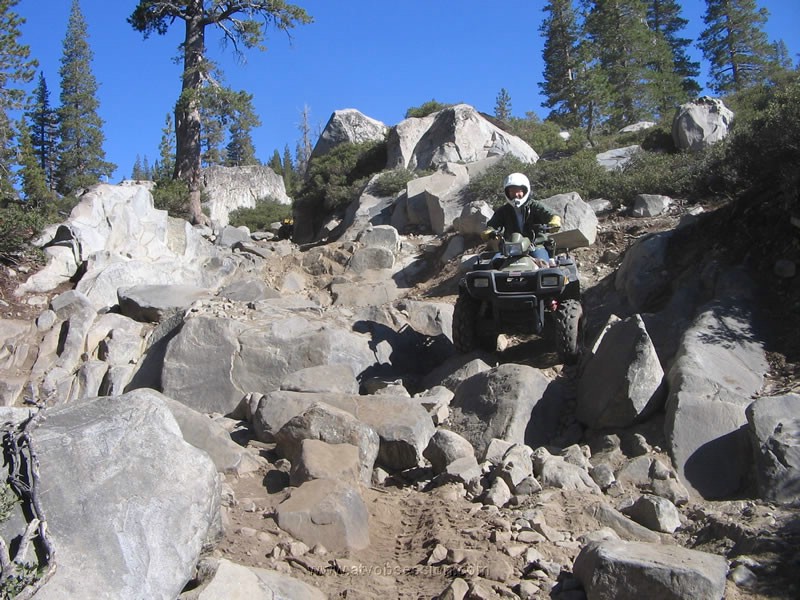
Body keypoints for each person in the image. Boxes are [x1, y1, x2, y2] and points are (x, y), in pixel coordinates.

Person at [481, 172, 561, 260]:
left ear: (525, 191)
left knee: (544, 264)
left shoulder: (535, 206)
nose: (516, 194)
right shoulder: (504, 210)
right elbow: (493, 224)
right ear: (507, 193)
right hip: (510, 247)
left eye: (519, 191)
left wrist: (554, 221)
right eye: (512, 191)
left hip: (534, 245)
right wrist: (489, 231)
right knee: (495, 263)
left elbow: (550, 214)